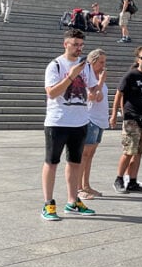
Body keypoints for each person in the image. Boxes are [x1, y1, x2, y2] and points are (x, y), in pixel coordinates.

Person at [41, 28, 100, 220]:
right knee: (52, 162)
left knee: (75, 162)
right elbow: (51, 93)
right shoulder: (55, 65)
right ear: (65, 44)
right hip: (58, 122)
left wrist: (97, 89)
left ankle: (73, 201)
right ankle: (48, 204)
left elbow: (91, 89)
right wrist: (71, 75)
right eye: (75, 44)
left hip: (80, 121)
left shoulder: (87, 66)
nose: (78, 49)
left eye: (81, 45)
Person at [111, 46, 142, 194]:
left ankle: (132, 181)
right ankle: (119, 179)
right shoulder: (131, 75)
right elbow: (119, 94)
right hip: (132, 117)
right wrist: (115, 114)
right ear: (137, 59)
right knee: (129, 150)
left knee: (139, 151)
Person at [76, 48, 108, 200]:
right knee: (84, 154)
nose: (103, 65)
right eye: (101, 62)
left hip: (99, 120)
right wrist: (101, 82)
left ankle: (86, 184)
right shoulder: (88, 77)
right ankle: (78, 188)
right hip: (91, 119)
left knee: (90, 155)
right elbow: (93, 97)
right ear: (93, 62)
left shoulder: (97, 77)